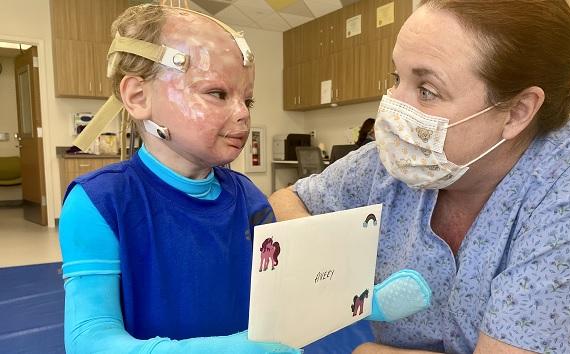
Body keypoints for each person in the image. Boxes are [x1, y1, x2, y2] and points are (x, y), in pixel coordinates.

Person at [59, 4, 431, 353]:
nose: (241, 114)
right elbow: (89, 338)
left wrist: (364, 299)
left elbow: (286, 290)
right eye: (217, 93)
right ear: (138, 96)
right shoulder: (100, 203)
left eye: (248, 100)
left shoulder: (247, 197)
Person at [269, 0, 570, 353]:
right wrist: (335, 270)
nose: (394, 108)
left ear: (517, 112)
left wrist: (368, 350)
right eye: (397, 79)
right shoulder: (391, 163)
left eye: (427, 91)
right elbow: (290, 200)